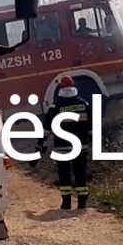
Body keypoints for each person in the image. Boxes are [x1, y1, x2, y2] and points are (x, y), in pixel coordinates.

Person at [41, 74, 92, 209]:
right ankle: (82, 203)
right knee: (80, 173)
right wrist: (91, 140)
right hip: (80, 146)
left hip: (62, 148)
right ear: (74, 86)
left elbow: (46, 128)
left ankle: (66, 203)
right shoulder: (83, 104)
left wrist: (41, 143)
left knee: (64, 174)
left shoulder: (55, 106)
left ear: (60, 89)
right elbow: (91, 125)